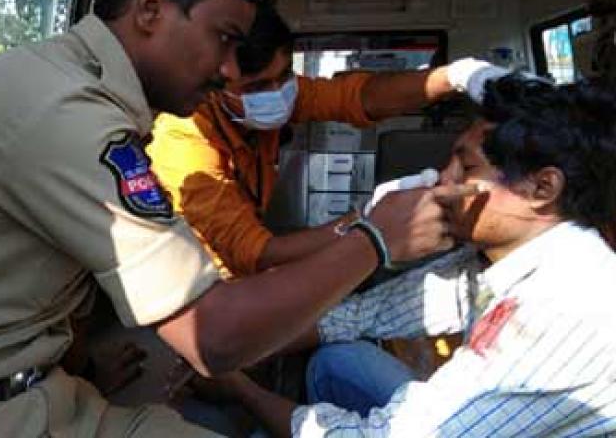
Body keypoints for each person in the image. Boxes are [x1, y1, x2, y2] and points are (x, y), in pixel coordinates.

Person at [0, 0, 471, 437]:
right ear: (149, 10)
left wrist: (451, 78)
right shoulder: (68, 114)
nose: (226, 71)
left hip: (38, 387)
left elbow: (348, 96)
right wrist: (375, 238)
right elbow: (211, 339)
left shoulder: (82, 90)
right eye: (222, 40)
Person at [205, 75, 616, 436]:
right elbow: (357, 316)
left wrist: (242, 390)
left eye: (466, 168)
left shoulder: (568, 303)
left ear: (542, 189)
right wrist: (231, 351)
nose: (442, 180)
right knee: (337, 361)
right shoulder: (496, 257)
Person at [147, 6, 507, 276]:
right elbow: (256, 252)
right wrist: (368, 220)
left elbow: (358, 97)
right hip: (201, 281)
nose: (278, 94)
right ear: (217, 82)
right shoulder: (183, 140)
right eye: (256, 86)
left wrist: (453, 77)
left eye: (284, 75)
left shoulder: (279, 96)